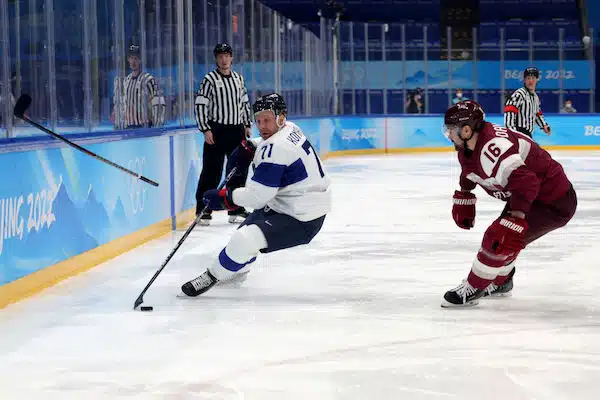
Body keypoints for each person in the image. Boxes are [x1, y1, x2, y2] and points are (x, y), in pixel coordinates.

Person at [181, 93, 332, 297]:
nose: (262, 126)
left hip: (302, 218)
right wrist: (251, 145)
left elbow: (257, 197)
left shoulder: (276, 148)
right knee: (244, 233)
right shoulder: (290, 128)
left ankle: (212, 276)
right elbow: (268, 143)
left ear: (280, 118)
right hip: (293, 203)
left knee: (245, 239)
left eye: (267, 120)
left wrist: (225, 198)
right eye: (258, 120)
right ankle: (237, 269)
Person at [442, 100, 577, 307]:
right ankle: (501, 282)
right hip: (531, 195)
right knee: (507, 237)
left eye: (451, 130)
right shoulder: (469, 146)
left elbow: (527, 183)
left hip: (553, 201)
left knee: (501, 237)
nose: (448, 135)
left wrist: (516, 218)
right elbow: (469, 168)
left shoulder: (493, 149)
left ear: (467, 130)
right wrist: (465, 194)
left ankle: (475, 287)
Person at [194, 43, 253, 225]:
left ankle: (235, 208)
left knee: (238, 171)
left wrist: (247, 124)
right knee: (212, 171)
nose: (224, 59)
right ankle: (203, 210)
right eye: (220, 56)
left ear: (231, 58)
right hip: (217, 130)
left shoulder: (238, 79)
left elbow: (244, 103)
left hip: (237, 130)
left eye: (227, 56)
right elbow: (200, 104)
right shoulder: (209, 79)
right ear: (216, 59)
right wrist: (205, 129)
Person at [112, 44, 165, 130]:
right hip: (128, 128)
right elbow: (123, 105)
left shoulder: (148, 80)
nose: (133, 61)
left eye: (136, 58)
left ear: (140, 60)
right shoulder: (126, 81)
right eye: (131, 58)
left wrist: (157, 126)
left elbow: (158, 103)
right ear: (128, 59)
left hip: (144, 128)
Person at [504, 67, 551, 138]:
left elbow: (537, 113)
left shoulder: (535, 97)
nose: (531, 81)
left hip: (527, 135)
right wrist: (512, 133)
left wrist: (544, 125)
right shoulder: (519, 94)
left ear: (537, 79)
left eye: (533, 78)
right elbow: (509, 113)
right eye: (528, 78)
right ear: (524, 80)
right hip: (518, 133)